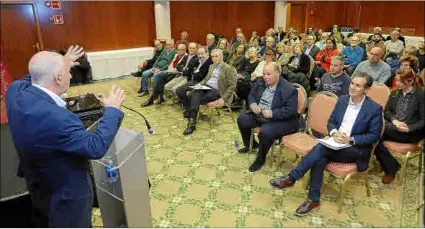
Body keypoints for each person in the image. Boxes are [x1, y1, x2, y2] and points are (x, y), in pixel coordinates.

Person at [5, 47, 125, 227]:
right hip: (66, 197)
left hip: (38, 183)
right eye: (68, 71)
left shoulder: (15, 92)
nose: (71, 75)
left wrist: (64, 61)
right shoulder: (60, 119)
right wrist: (112, 111)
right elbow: (95, 147)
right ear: (59, 78)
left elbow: (35, 75)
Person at [269, 72, 382, 217]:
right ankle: (313, 199)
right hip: (335, 144)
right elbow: (331, 121)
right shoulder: (342, 100)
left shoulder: (374, 108)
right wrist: (334, 133)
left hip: (355, 149)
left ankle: (292, 178)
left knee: (321, 149)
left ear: (366, 90)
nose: (352, 87)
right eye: (352, 83)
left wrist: (351, 139)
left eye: (358, 85)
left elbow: (374, 136)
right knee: (320, 157)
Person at [237, 62, 299, 172]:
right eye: (264, 73)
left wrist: (272, 113)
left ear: (278, 74)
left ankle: (260, 159)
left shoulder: (289, 89)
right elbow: (251, 94)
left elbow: (291, 111)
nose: (265, 76)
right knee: (242, 119)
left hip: (278, 119)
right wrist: (252, 104)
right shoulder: (261, 81)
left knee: (265, 132)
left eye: (268, 74)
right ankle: (251, 145)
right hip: (259, 113)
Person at [374, 70, 424, 184]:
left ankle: (390, 168)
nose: (396, 83)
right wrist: (395, 121)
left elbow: (423, 120)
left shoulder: (421, 95)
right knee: (374, 136)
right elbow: (387, 111)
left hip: (410, 132)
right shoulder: (395, 92)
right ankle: (391, 167)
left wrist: (409, 128)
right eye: (396, 80)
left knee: (374, 130)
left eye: (400, 81)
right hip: (393, 127)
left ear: (410, 81)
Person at [181, 49, 237, 135]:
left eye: (216, 56)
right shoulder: (211, 66)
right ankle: (191, 123)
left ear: (221, 56)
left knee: (193, 96)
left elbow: (232, 85)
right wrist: (198, 85)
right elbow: (206, 79)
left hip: (217, 91)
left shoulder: (228, 68)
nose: (214, 58)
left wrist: (223, 98)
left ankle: (191, 122)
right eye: (212, 57)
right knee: (195, 92)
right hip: (206, 88)